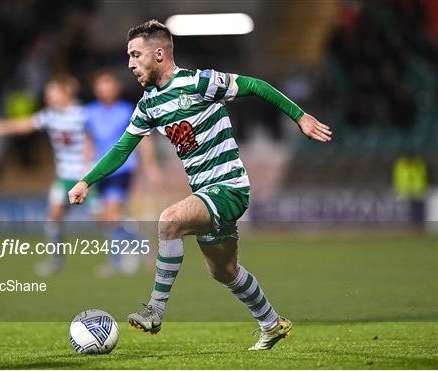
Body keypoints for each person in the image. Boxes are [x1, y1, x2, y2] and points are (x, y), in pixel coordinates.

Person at [68, 20, 332, 350]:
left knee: (168, 221)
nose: (130, 64)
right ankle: (271, 323)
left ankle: (155, 310)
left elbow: (256, 85)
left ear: (159, 54)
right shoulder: (149, 105)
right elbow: (122, 149)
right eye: (129, 56)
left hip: (229, 186)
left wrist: (300, 117)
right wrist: (86, 180)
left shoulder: (199, 82)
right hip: (205, 192)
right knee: (224, 272)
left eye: (136, 55)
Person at [0, 74, 93, 276]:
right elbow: (26, 124)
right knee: (54, 216)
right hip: (63, 176)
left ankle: (129, 249)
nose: (48, 97)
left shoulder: (83, 114)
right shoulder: (50, 115)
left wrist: (89, 166)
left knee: (106, 217)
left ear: (65, 93)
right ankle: (56, 261)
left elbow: (92, 139)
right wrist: (0, 128)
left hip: (86, 177)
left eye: (52, 93)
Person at [86, 69, 159, 277]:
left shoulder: (127, 110)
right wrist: (85, 164)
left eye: (108, 87)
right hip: (99, 171)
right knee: (106, 218)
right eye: (101, 88)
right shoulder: (90, 112)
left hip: (121, 169)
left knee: (112, 214)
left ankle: (115, 262)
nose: (105, 91)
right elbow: (89, 140)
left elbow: (143, 138)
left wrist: (150, 165)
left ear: (116, 89)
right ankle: (142, 243)